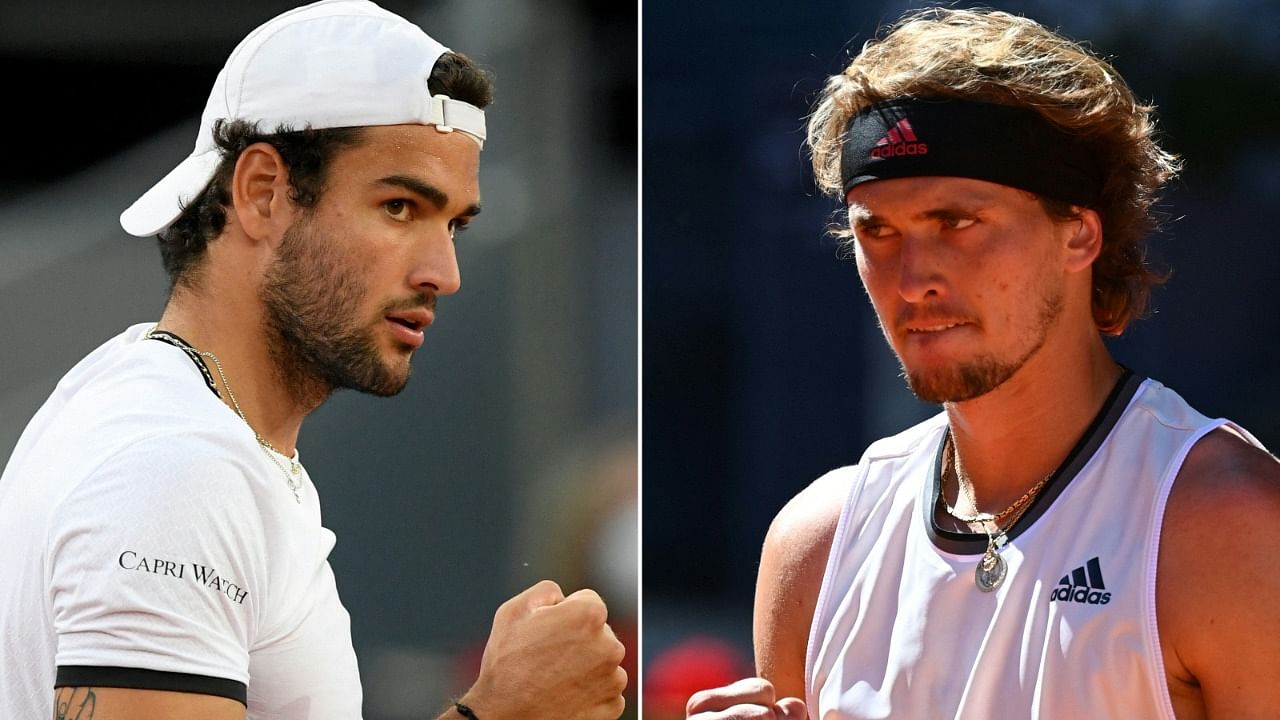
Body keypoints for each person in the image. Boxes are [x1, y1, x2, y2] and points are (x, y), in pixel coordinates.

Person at [0, 2, 626, 719]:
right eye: (399, 207)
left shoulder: (164, 417)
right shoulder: (175, 469)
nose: (443, 272)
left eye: (453, 223)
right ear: (262, 193)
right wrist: (500, 711)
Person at [686, 7, 1280, 719]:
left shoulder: (1230, 526)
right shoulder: (815, 543)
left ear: (1079, 234)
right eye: (877, 231)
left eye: (957, 222)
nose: (913, 279)